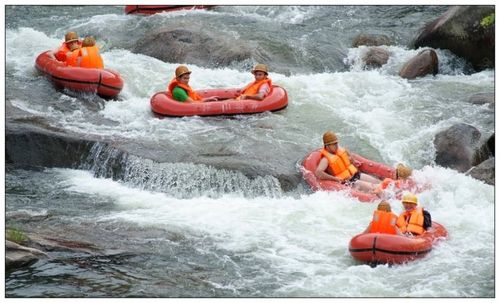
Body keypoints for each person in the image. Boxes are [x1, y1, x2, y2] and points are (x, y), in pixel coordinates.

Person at [315, 131, 381, 193]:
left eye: (337, 143)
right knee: (374, 188)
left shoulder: (341, 150)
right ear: (327, 145)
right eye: (334, 144)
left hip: (356, 175)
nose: (336, 146)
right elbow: (318, 173)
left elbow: (350, 157)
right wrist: (335, 179)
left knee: (378, 182)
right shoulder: (325, 159)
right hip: (349, 183)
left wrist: (353, 161)